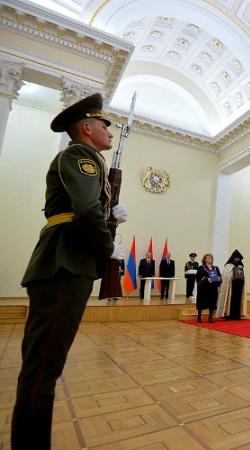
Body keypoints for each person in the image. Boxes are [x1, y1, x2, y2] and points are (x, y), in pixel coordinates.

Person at [12, 93, 127, 449]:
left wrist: (109, 217)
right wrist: (108, 246)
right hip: (64, 263)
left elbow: (87, 208)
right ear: (88, 128)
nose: (110, 131)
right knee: (43, 367)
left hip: (66, 262)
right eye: (105, 125)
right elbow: (84, 208)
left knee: (43, 364)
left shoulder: (87, 159)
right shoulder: (80, 154)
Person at [217, 249, 247, 320]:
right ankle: (228, 314)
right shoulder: (228, 266)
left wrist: (242, 278)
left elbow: (243, 275)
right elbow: (225, 276)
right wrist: (231, 277)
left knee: (238, 300)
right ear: (233, 258)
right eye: (236, 257)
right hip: (231, 286)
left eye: (238, 258)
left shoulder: (240, 266)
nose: (237, 259)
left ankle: (237, 314)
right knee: (230, 299)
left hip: (239, 285)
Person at [195, 253, 222, 323]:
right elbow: (198, 278)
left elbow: (219, 276)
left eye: (211, 258)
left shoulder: (216, 268)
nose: (210, 259)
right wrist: (207, 279)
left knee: (212, 302)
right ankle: (199, 316)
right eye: (208, 258)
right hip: (204, 288)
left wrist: (219, 279)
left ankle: (210, 317)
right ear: (204, 259)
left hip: (212, 288)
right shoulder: (201, 268)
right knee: (201, 302)